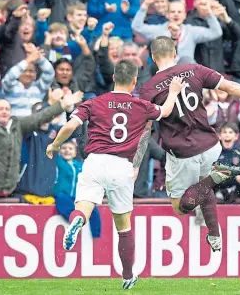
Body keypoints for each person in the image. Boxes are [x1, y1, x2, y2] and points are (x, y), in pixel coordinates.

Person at [46, 59, 185, 290]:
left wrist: (54, 145)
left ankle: (78, 220)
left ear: (112, 78)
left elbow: (70, 126)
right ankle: (128, 274)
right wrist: (173, 92)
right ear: (133, 81)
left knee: (82, 207)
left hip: (94, 162)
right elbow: (167, 110)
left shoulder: (94, 102)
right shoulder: (142, 106)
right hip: (122, 166)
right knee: (123, 226)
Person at [139, 36, 240, 252]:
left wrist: (134, 163)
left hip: (182, 153)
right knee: (203, 185)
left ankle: (217, 177)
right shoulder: (193, 69)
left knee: (181, 207)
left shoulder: (148, 88)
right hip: (210, 145)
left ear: (153, 57)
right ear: (174, 53)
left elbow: (145, 129)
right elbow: (231, 87)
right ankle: (214, 234)